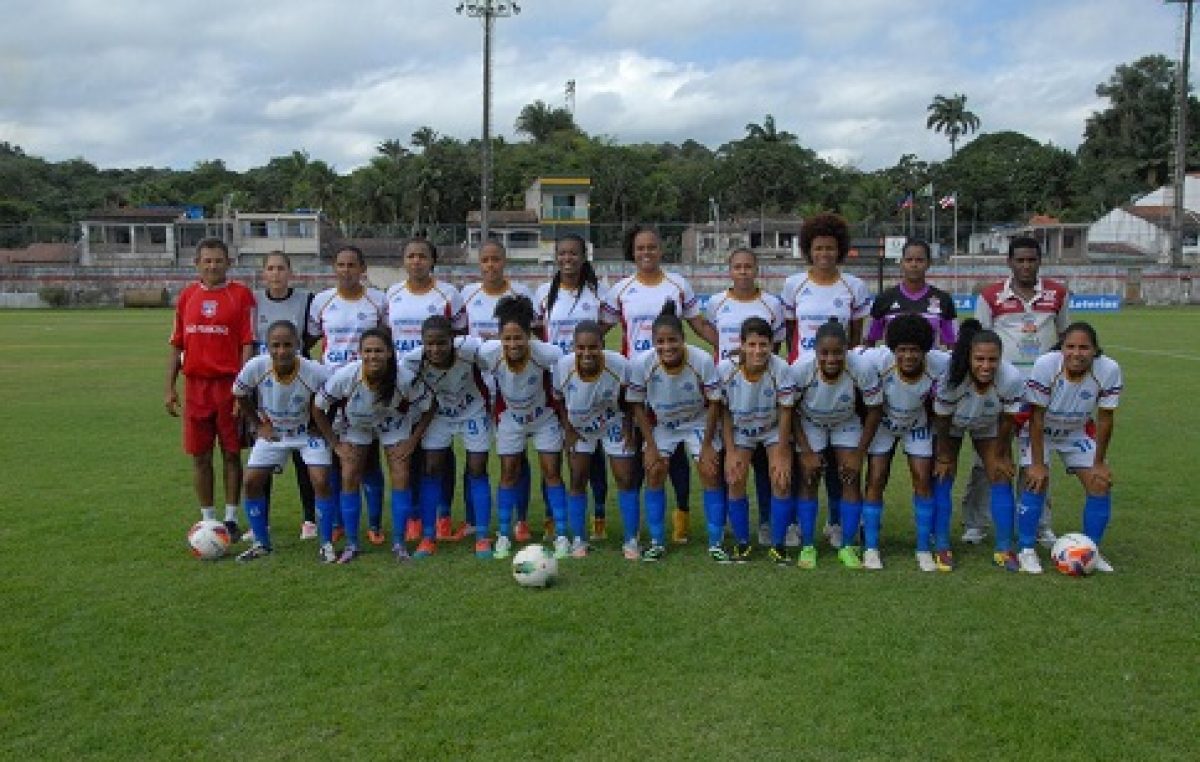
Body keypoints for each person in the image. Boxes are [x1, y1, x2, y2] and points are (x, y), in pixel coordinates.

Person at [602, 225, 719, 545]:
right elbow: (600, 328)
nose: (646, 253)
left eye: (652, 247)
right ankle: (638, 528)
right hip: (638, 381)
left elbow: (698, 326)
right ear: (633, 252)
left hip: (676, 379)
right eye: (640, 248)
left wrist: (729, 346)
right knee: (645, 454)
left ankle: (681, 518)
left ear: (661, 250)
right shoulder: (621, 289)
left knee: (678, 455)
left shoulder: (677, 284)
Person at [961, 236, 1070, 547]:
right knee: (988, 458)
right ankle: (975, 523)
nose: (1025, 265)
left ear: (1039, 261)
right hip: (998, 388)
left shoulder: (1057, 294)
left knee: (1038, 457)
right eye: (1019, 260)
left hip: (1042, 392)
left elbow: (1064, 337)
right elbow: (979, 340)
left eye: (1031, 260)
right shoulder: (991, 295)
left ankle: (1039, 523)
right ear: (1009, 262)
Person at [780, 212, 873, 550]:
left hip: (841, 380)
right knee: (803, 462)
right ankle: (795, 525)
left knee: (839, 462)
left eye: (830, 248)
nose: (824, 254)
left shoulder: (854, 286)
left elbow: (858, 338)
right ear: (808, 249)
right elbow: (790, 333)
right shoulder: (794, 285)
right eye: (818, 248)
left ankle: (837, 523)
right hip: (806, 382)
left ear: (841, 250)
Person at [312, 328, 434, 564]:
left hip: (392, 423)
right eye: (367, 351)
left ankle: (399, 543)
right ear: (360, 353)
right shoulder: (346, 376)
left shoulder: (404, 378)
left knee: (401, 473)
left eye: (378, 350)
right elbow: (317, 408)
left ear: (389, 353)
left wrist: (412, 440)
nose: (373, 356)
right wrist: (335, 444)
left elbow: (430, 406)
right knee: (349, 475)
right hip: (356, 424)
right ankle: (352, 544)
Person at [165, 237, 256, 540]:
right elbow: (177, 345)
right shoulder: (187, 297)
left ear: (228, 263)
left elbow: (247, 344)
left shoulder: (241, 296)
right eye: (207, 260)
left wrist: (241, 390)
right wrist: (170, 387)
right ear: (197, 264)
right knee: (200, 456)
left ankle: (230, 518)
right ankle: (207, 520)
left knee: (231, 453)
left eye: (218, 260)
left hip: (228, 387)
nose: (213, 265)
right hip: (195, 388)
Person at [626, 302, 724, 562]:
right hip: (664, 426)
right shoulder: (643, 363)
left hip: (697, 422)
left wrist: (707, 446)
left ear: (683, 339)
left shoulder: (701, 359)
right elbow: (636, 405)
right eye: (661, 341)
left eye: (673, 340)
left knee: (710, 471)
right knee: (655, 471)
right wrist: (651, 447)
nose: (667, 347)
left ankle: (716, 542)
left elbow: (715, 401)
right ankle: (657, 542)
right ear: (653, 342)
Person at [1021, 322, 1122, 572]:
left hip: (1076, 430)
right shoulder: (1046, 364)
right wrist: (1036, 463)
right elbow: (1035, 416)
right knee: (1036, 481)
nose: (1076, 353)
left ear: (1095, 350)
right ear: (1061, 348)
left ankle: (1091, 551)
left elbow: (1106, 417)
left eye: (1084, 348)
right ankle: (1026, 549)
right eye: (1070, 347)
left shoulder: (1108, 369)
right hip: (1040, 430)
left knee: (1099, 483)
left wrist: (1099, 463)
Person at [384, 238, 467, 543]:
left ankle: (444, 515)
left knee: (440, 450)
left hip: (439, 384)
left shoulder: (449, 294)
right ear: (404, 261)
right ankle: (415, 516)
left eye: (422, 256)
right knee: (410, 450)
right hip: (403, 385)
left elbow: (459, 337)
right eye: (410, 256)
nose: (416, 261)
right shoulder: (391, 294)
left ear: (432, 261)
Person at [476, 295, 570, 559]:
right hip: (511, 419)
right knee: (508, 473)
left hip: (544, 418)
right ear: (499, 338)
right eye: (507, 339)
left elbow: (560, 385)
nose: (513, 344)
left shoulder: (548, 354)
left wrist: (566, 423)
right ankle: (504, 534)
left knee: (552, 472)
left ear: (529, 336)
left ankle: (562, 534)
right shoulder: (488, 354)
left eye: (519, 338)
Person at [855, 314, 950, 572]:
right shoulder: (875, 360)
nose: (908, 356)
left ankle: (922, 549)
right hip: (883, 424)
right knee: (876, 479)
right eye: (902, 350)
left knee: (922, 480)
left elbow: (964, 363)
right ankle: (871, 547)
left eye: (915, 350)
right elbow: (849, 357)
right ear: (892, 349)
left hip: (916, 424)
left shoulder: (940, 364)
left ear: (925, 350)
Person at [704, 247, 786, 545]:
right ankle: (731, 521)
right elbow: (712, 335)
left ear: (756, 270)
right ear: (730, 270)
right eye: (737, 267)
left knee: (767, 466)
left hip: (762, 390)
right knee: (733, 463)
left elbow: (773, 346)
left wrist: (759, 365)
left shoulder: (772, 304)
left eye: (748, 266)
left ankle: (767, 522)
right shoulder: (716, 303)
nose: (743, 272)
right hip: (730, 392)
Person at [232, 321, 333, 562]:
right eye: (275, 345)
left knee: (320, 481)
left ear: (297, 345)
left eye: (287, 344)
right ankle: (261, 544)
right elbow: (239, 392)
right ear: (266, 347)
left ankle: (326, 544)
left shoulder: (314, 370)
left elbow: (337, 394)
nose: (281, 351)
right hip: (274, 433)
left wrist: (320, 423)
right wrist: (258, 425)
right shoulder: (256, 366)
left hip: (306, 435)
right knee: (251, 482)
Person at [308, 245, 389, 545]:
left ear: (362, 268)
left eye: (352, 265)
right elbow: (312, 338)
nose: (346, 270)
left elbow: (383, 339)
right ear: (334, 268)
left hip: (367, 387)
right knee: (335, 455)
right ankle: (340, 521)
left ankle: (376, 523)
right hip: (332, 386)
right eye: (341, 265)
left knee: (368, 460)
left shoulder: (378, 301)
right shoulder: (321, 301)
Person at [788, 319, 883, 569]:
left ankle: (847, 546)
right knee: (808, 476)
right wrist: (806, 451)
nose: (831, 359)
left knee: (850, 476)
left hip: (845, 421)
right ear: (816, 351)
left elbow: (874, 410)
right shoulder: (801, 368)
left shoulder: (860, 367)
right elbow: (790, 409)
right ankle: (808, 545)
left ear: (847, 350)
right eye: (825, 353)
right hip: (810, 421)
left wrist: (859, 453)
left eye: (837, 352)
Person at [932, 320, 1026, 572]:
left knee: (1000, 474)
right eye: (979, 359)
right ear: (969, 356)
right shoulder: (952, 376)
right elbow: (941, 418)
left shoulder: (1011, 378)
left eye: (992, 360)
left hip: (987, 422)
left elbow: (1008, 418)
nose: (986, 366)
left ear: (1001, 358)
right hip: (951, 422)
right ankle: (941, 546)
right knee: (943, 474)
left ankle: (1004, 549)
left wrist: (1002, 453)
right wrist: (943, 455)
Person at [461, 240, 539, 542]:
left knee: (516, 455)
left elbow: (534, 335)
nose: (490, 265)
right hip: (478, 388)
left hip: (514, 386)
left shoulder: (520, 295)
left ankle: (520, 519)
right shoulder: (467, 295)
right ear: (478, 263)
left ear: (504, 261)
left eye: (495, 259)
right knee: (475, 456)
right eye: (485, 260)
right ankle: (471, 518)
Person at [536, 234, 610, 541]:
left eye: (573, 253)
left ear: (583, 256)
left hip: (591, 381)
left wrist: (588, 352)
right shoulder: (543, 293)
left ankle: (600, 515)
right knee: (553, 451)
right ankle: (553, 517)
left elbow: (604, 326)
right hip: (557, 384)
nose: (567, 258)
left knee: (593, 452)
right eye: (562, 253)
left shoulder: (598, 292)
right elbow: (538, 333)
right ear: (556, 257)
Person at [400, 316, 494, 559]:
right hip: (439, 415)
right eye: (429, 344)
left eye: (441, 343)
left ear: (453, 339)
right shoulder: (412, 361)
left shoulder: (471, 350)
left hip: (473, 411)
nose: (435, 349)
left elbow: (497, 362)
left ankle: (482, 537)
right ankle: (428, 537)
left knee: (477, 468)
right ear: (422, 343)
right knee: (431, 468)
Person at [552, 320, 637, 558]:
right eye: (581, 348)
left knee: (626, 478)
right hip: (580, 427)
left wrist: (629, 429)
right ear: (574, 347)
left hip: (612, 422)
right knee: (577, 478)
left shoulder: (619, 365)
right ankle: (579, 539)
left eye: (593, 347)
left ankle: (631, 540)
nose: (587, 353)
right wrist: (568, 429)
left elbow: (629, 399)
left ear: (602, 346)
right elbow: (558, 400)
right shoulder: (562, 367)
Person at [717, 317, 794, 563]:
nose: (758, 350)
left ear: (772, 345)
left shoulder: (780, 368)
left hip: (772, 429)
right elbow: (724, 411)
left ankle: (778, 545)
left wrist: (782, 452)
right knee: (735, 477)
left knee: (781, 479)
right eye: (751, 344)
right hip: (741, 430)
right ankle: (742, 544)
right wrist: (729, 451)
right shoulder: (726, 369)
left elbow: (786, 410)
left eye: (763, 344)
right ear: (741, 345)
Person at [252, 251, 318, 540]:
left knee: (304, 458)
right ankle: (261, 522)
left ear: (290, 272)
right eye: (270, 268)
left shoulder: (306, 301)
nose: (276, 273)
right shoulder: (253, 301)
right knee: (263, 457)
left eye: (281, 268)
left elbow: (313, 337)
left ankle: (310, 520)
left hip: (297, 386)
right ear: (263, 274)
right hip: (266, 388)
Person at [865, 239, 957, 349]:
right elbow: (869, 342)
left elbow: (953, 344)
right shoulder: (884, 299)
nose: (914, 264)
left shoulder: (944, 300)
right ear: (902, 263)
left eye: (919, 260)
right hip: (893, 365)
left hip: (929, 365)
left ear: (928, 263)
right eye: (909, 260)